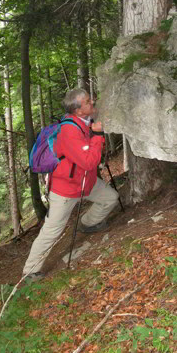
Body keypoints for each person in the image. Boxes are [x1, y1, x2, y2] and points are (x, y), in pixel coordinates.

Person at [23, 88, 119, 281]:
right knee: (52, 230)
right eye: (88, 102)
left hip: (86, 182)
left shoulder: (85, 121)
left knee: (111, 198)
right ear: (78, 110)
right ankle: (30, 270)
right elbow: (89, 162)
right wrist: (98, 135)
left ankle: (87, 224)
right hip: (65, 190)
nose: (92, 102)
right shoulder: (69, 131)